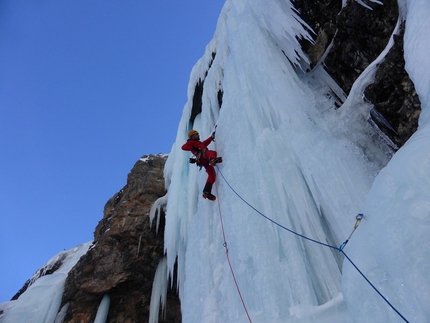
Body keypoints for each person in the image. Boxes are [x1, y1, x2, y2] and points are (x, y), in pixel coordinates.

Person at [182, 129, 222, 201]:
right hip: (203, 156)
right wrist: (192, 147)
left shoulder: (198, 143)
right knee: (212, 153)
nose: (198, 135)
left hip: (203, 161)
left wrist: (211, 138)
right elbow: (183, 147)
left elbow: (205, 143)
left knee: (212, 175)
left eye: (198, 134)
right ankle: (212, 159)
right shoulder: (191, 142)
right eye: (196, 135)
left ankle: (207, 191)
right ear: (192, 136)